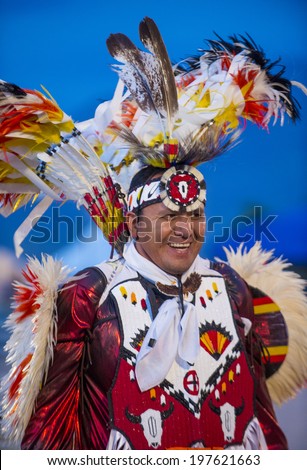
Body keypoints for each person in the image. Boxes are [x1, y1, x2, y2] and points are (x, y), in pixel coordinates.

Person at [0, 17, 306, 450]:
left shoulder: (233, 289)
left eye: (196, 215)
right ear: (134, 222)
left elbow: (263, 425)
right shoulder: (86, 298)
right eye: (169, 216)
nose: (185, 229)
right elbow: (49, 440)